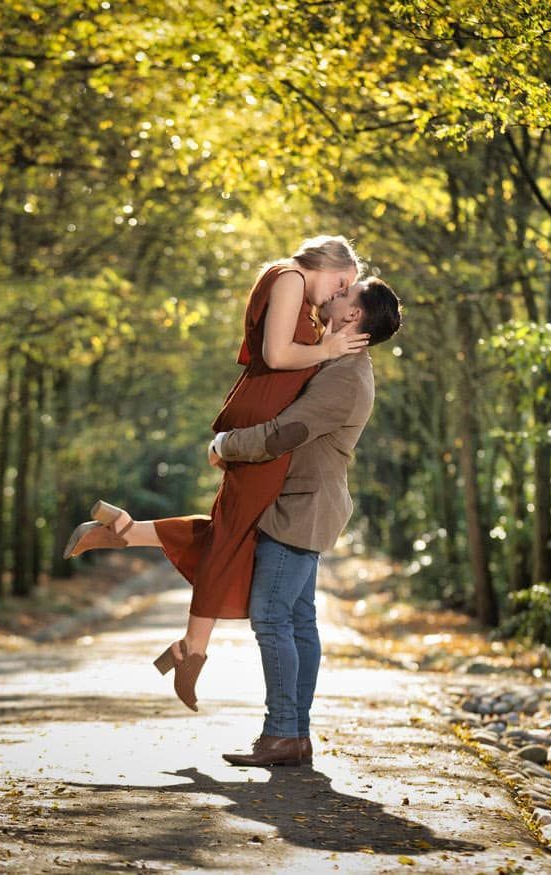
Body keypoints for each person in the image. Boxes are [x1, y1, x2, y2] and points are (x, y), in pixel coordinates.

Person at [62, 236, 369, 710]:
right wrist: (327, 350)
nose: (337, 293)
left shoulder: (296, 291)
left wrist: (326, 346)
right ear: (323, 264)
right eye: (341, 282)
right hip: (265, 421)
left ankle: (122, 532)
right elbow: (277, 355)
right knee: (233, 533)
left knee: (232, 530)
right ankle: (192, 650)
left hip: (267, 418)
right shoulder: (289, 276)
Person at [216, 276, 402, 766]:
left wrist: (224, 445)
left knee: (272, 617)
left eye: (343, 295)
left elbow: (284, 434)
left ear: (354, 315)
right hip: (310, 502)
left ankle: (281, 733)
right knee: (298, 620)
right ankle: (294, 736)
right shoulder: (340, 362)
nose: (331, 298)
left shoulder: (345, 376)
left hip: (301, 507)